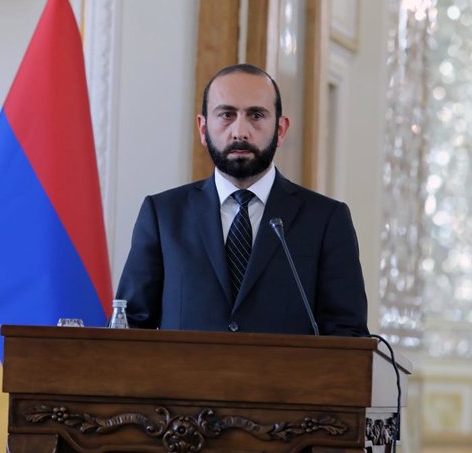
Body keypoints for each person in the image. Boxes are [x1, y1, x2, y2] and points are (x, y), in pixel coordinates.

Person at [116, 63, 368, 336]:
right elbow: (128, 327)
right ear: (203, 128)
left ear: (281, 129)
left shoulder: (326, 220)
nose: (240, 132)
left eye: (256, 115)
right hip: (181, 379)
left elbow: (348, 338)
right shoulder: (163, 215)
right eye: (226, 114)